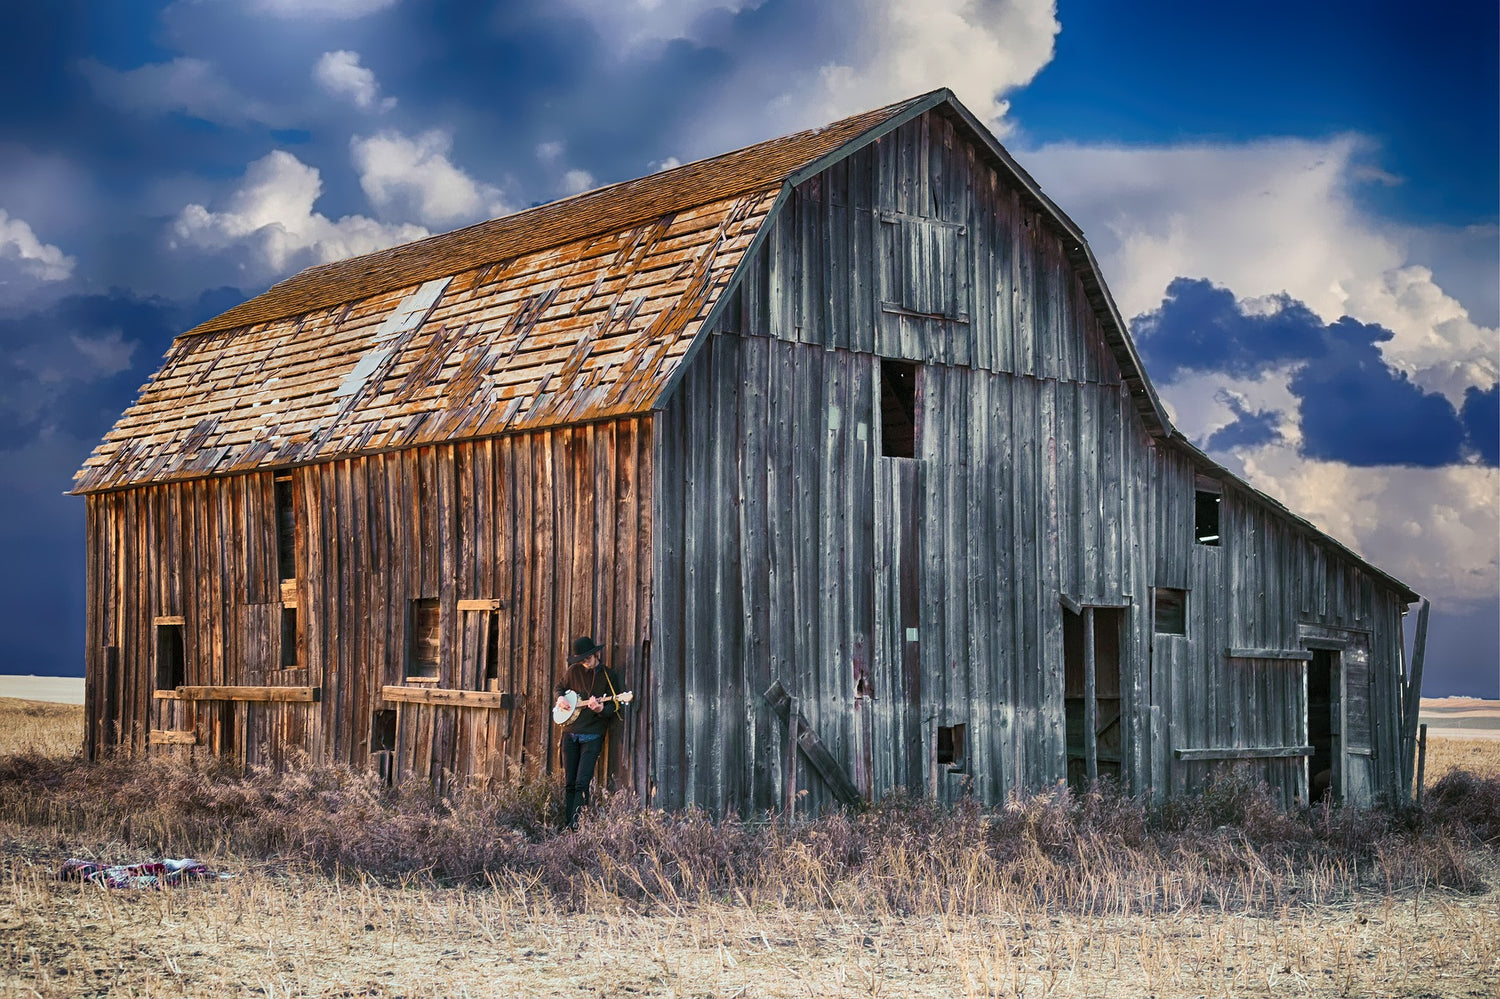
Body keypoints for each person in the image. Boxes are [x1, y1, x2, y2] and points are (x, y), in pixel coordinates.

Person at [554, 635, 626, 829]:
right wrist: (560, 698)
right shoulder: (573, 671)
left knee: (581, 782)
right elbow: (559, 687)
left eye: (587, 658)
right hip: (570, 733)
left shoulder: (608, 676)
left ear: (596, 654)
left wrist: (601, 709)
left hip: (593, 734)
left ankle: (578, 828)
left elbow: (615, 707)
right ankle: (567, 826)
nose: (584, 662)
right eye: (581, 659)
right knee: (569, 782)